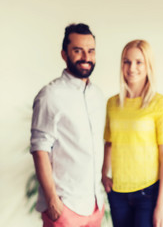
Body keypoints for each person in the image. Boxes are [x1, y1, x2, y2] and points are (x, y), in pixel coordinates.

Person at [30, 23, 105, 227]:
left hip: (95, 205)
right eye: (77, 50)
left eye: (91, 51)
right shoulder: (50, 96)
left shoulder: (98, 96)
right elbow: (39, 150)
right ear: (64, 54)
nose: (86, 57)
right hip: (65, 206)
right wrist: (53, 200)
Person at [101, 39, 163, 227]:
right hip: (117, 193)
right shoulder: (112, 103)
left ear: (148, 65)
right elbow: (109, 142)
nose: (131, 68)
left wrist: (162, 206)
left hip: (149, 193)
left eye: (138, 62)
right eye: (126, 61)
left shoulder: (161, 104)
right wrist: (103, 173)